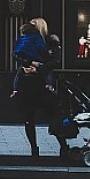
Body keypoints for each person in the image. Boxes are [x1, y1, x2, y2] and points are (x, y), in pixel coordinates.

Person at [10, 16, 59, 158]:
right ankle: (34, 148)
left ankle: (63, 145)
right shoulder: (27, 41)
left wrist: (39, 68)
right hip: (28, 83)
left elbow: (55, 62)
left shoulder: (50, 41)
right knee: (28, 118)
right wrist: (28, 64)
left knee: (53, 116)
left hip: (43, 83)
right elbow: (19, 57)